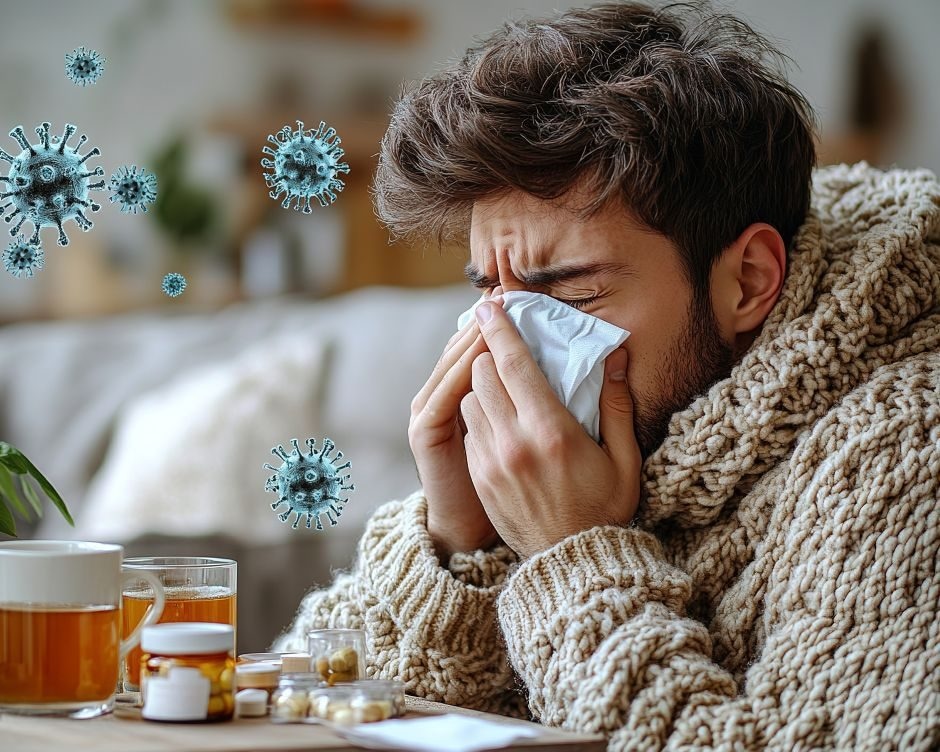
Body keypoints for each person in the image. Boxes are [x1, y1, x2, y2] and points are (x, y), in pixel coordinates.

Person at [272, 2, 939, 748]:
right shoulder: (568, 458)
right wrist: (461, 544)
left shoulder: (907, 449)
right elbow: (301, 708)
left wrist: (571, 560)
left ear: (747, 281)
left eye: (571, 292)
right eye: (488, 293)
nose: (508, 346)